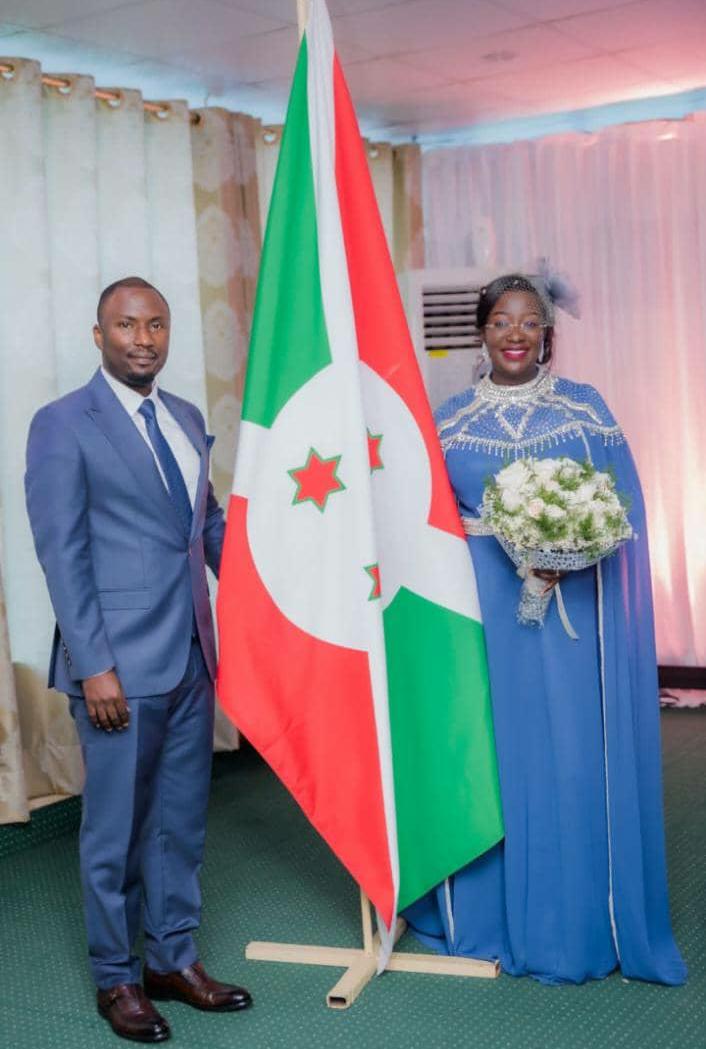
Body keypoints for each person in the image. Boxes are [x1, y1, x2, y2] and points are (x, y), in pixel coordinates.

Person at [404, 272, 686, 986]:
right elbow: (428, 523)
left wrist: (572, 546)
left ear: (547, 334)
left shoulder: (586, 409)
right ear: (481, 331)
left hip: (572, 619)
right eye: (501, 321)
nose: (515, 334)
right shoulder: (451, 419)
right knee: (495, 756)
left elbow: (624, 506)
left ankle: (580, 918)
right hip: (484, 614)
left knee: (568, 756)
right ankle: (490, 913)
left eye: (529, 321)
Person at [25, 277, 252, 1042]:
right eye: (127, 325)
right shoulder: (62, 424)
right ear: (99, 335)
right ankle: (116, 976)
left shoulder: (185, 417)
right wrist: (94, 665)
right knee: (115, 830)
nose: (144, 338)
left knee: (180, 823)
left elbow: (206, 524)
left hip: (191, 655)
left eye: (156, 324)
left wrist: (267, 597)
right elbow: (63, 554)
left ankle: (172, 958)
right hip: (116, 667)